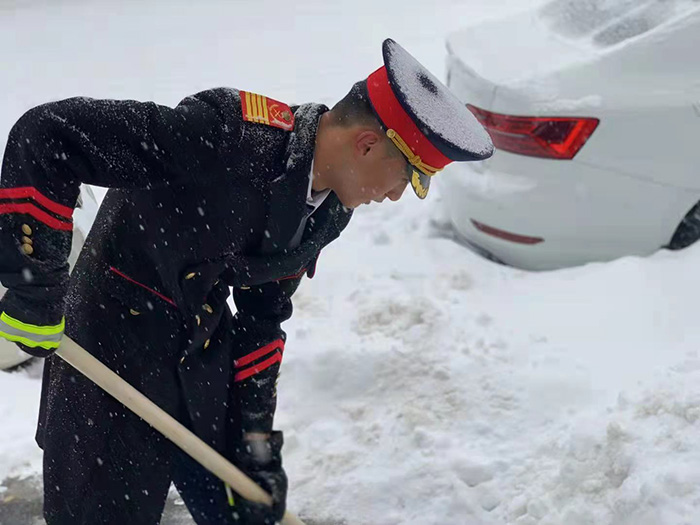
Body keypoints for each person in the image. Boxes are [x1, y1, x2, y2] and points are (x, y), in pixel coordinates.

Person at [0, 39, 492, 524]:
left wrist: (255, 443)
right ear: (366, 145)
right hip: (107, 360)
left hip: (197, 364)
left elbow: (263, 318)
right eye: (405, 179)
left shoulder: (328, 210)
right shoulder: (226, 136)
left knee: (246, 508)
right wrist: (34, 285)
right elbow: (49, 137)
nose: (395, 196)